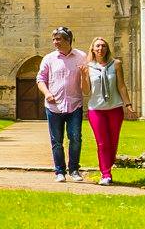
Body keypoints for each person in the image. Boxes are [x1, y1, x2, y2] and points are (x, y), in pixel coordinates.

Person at [36, 26, 87, 182]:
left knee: (75, 138)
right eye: (54, 39)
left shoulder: (81, 56)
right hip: (54, 107)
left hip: (75, 104)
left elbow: (86, 80)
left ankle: (74, 170)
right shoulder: (49, 58)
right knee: (56, 141)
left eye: (58, 39)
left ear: (68, 39)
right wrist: (47, 93)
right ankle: (59, 171)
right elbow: (40, 79)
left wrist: (85, 76)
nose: (55, 42)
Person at [84, 36, 132, 186]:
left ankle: (107, 163)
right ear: (92, 49)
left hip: (115, 108)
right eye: (97, 46)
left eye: (103, 46)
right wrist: (82, 75)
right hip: (96, 109)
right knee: (102, 143)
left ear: (107, 48)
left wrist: (128, 104)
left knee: (113, 142)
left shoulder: (116, 64)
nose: (100, 49)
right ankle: (106, 174)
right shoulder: (88, 67)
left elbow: (121, 86)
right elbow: (86, 91)